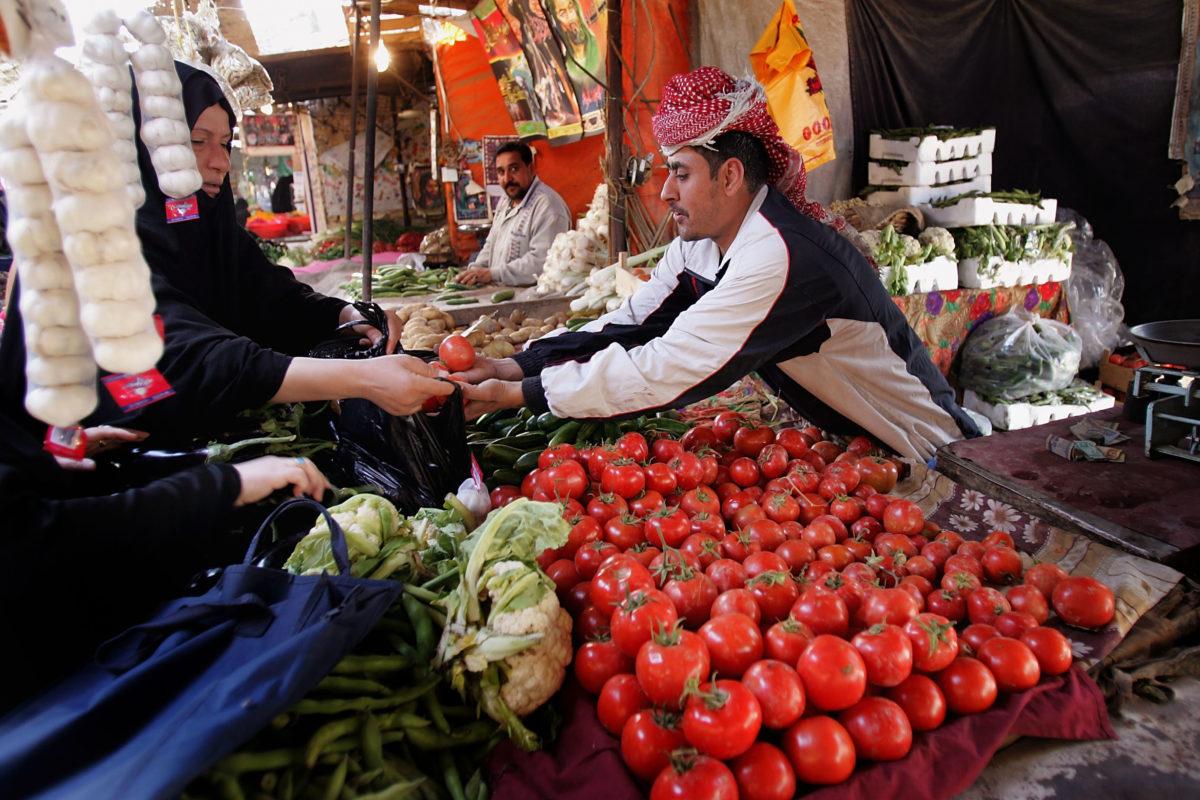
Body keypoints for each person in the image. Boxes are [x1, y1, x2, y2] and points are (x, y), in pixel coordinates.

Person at [458, 67, 979, 462]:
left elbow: (670, 365)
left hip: (919, 444)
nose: (664, 192)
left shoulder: (781, 254)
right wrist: (516, 365)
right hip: (854, 440)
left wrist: (517, 394)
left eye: (680, 173)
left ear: (730, 177)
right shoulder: (703, 240)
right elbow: (636, 322)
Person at [455, 141, 570, 287]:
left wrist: (492, 274)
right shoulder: (505, 201)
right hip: (500, 295)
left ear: (531, 168)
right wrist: (475, 270)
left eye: (514, 169)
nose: (507, 179)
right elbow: (491, 244)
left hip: (532, 301)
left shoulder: (548, 207)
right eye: (501, 172)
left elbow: (542, 261)